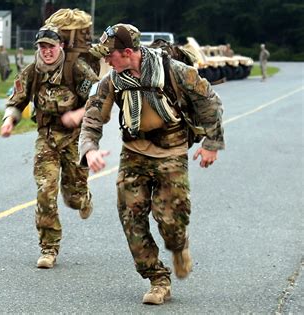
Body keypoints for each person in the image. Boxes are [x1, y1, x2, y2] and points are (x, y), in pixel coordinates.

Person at [80, 24, 225, 305]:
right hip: (134, 153)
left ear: (129, 52)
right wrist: (89, 148)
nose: (106, 61)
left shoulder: (174, 72)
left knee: (170, 222)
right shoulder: (113, 80)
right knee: (131, 218)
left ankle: (178, 245)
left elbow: (210, 102)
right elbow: (92, 116)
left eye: (110, 55)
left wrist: (211, 144)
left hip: (171, 152)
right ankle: (158, 280)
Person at [0, 25, 99, 269]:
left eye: (50, 47)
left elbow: (100, 97)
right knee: (45, 190)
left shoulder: (76, 68)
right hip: (47, 138)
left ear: (61, 46)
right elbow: (17, 99)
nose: (46, 52)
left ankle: (83, 197)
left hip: (75, 137)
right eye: (42, 47)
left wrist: (78, 113)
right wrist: (9, 121)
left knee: (73, 198)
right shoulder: (32, 71)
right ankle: (49, 248)